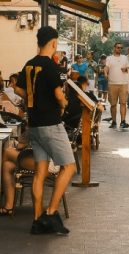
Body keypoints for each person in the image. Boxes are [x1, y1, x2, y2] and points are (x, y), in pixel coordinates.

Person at [14, 26, 76, 235]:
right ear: (53, 43)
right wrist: (65, 103)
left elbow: (18, 88)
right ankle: (50, 214)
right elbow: (59, 96)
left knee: (40, 172)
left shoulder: (29, 65)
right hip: (50, 124)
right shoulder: (50, 66)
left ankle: (37, 219)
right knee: (69, 167)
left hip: (34, 126)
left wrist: (34, 100)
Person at [105, 42, 129, 129]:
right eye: (117, 47)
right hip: (112, 84)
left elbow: (128, 68)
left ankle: (123, 122)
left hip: (123, 84)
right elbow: (106, 67)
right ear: (114, 48)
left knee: (123, 103)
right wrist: (105, 73)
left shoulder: (124, 58)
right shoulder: (109, 58)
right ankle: (114, 121)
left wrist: (126, 68)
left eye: (121, 48)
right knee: (113, 104)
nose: (119, 49)